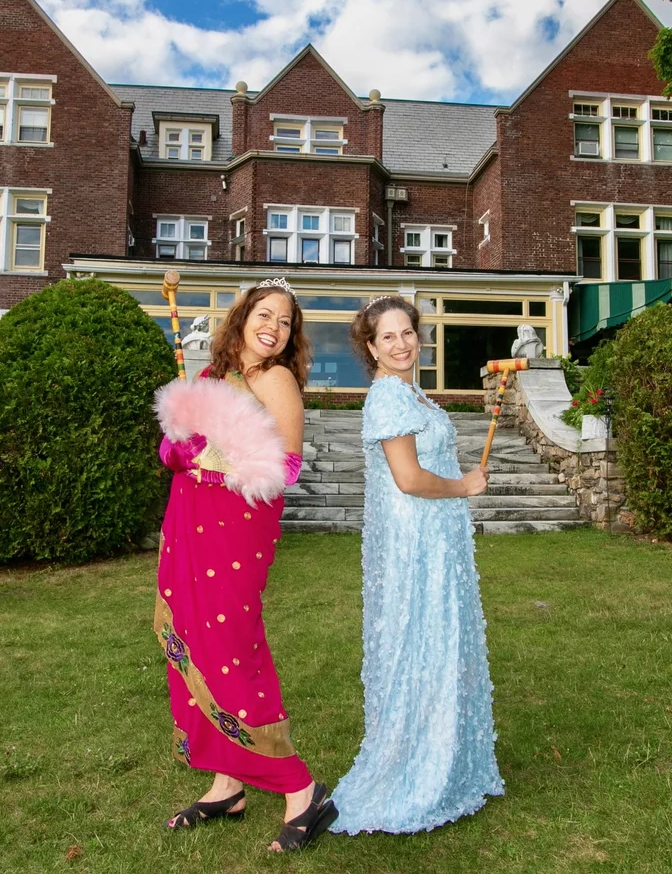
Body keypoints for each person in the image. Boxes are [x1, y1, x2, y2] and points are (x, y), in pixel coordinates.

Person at [153, 277, 339, 853]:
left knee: (232, 648)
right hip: (188, 521)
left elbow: (284, 467)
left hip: (235, 529)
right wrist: (176, 450)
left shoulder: (275, 379)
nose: (275, 327)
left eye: (285, 322)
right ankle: (227, 786)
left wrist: (213, 463)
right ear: (243, 317)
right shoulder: (210, 376)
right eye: (266, 313)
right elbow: (182, 436)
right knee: (190, 637)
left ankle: (301, 790)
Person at [330, 295, 505, 835]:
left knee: (440, 642)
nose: (402, 343)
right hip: (414, 542)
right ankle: (411, 768)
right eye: (388, 336)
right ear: (370, 346)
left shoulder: (415, 395)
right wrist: (463, 487)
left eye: (408, 333)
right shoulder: (387, 398)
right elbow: (408, 478)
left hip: (437, 538)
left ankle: (445, 757)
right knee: (418, 642)